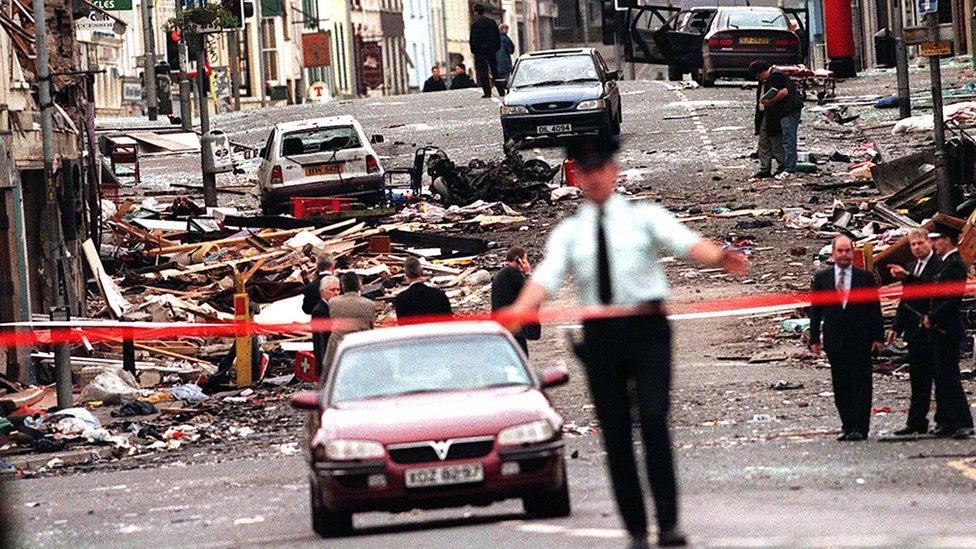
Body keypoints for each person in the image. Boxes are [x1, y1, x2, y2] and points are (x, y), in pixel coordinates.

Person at [503, 136, 748, 548]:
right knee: (615, 435)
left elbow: (684, 242)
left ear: (614, 173)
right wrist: (518, 311)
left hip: (647, 330)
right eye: (586, 172)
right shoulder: (570, 233)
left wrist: (721, 257)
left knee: (653, 420)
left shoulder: (643, 216)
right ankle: (636, 529)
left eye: (601, 169)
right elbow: (547, 277)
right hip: (601, 337)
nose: (594, 178)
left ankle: (667, 523)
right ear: (576, 179)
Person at [808, 235, 884, 441]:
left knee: (861, 384)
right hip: (835, 340)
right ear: (833, 254)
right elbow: (816, 310)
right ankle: (848, 425)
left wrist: (878, 337)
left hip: (861, 339)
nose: (844, 255)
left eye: (847, 251)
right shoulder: (822, 278)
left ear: (853, 252)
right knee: (841, 385)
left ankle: (861, 427)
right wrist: (814, 338)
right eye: (840, 251)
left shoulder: (864, 278)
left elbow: (874, 310)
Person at [886, 229, 942, 436]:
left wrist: (908, 277)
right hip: (914, 331)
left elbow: (931, 291)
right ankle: (916, 421)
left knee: (941, 378)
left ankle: (945, 420)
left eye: (920, 243)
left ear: (929, 243)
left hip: (934, 329)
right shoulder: (911, 267)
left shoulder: (939, 266)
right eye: (913, 245)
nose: (917, 248)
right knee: (918, 379)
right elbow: (906, 300)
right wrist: (896, 327)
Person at [923, 222, 974, 438]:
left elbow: (952, 300)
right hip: (938, 328)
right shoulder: (944, 263)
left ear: (947, 240)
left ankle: (963, 421)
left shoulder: (954, 265)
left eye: (936, 240)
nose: (933, 244)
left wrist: (933, 317)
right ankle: (946, 421)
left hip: (947, 328)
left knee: (949, 377)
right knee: (941, 376)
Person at [749, 60, 803, 179]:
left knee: (788, 139)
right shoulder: (765, 80)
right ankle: (767, 169)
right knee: (767, 139)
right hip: (774, 112)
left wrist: (770, 102)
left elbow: (783, 92)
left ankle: (789, 168)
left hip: (788, 110)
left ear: (763, 71)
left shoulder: (776, 75)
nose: (759, 78)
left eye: (759, 75)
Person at [491, 246, 539, 356]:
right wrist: (528, 273)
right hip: (511, 327)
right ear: (519, 260)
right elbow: (530, 293)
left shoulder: (505, 273)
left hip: (504, 325)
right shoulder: (512, 273)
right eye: (525, 260)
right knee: (520, 357)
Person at [323, 272, 376, 368]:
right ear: (359, 286)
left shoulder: (333, 302)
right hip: (361, 350)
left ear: (343, 286)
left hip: (337, 349)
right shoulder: (369, 304)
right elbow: (371, 327)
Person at [393, 257, 453, 324]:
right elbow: (449, 322)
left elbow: (402, 326)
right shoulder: (439, 295)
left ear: (406, 275)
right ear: (422, 272)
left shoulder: (401, 299)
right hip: (436, 333)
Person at [311, 275, 340, 378]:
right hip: (326, 360)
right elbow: (320, 341)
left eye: (338, 289)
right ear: (323, 292)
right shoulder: (319, 311)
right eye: (332, 290)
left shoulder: (336, 308)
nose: (336, 293)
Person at [469, 4, 501, 98]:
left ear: (476, 12)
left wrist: (474, 51)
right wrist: (495, 48)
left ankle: (487, 92)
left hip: (480, 52)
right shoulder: (492, 22)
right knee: (495, 71)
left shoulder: (475, 25)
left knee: (483, 72)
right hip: (491, 50)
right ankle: (501, 90)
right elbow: (497, 37)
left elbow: (473, 40)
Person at [496, 23, 516, 96]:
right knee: (507, 77)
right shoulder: (505, 39)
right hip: (505, 62)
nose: (507, 31)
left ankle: (501, 92)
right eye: (507, 29)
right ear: (503, 29)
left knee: (499, 77)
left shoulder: (495, 38)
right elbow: (511, 50)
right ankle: (508, 91)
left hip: (496, 62)